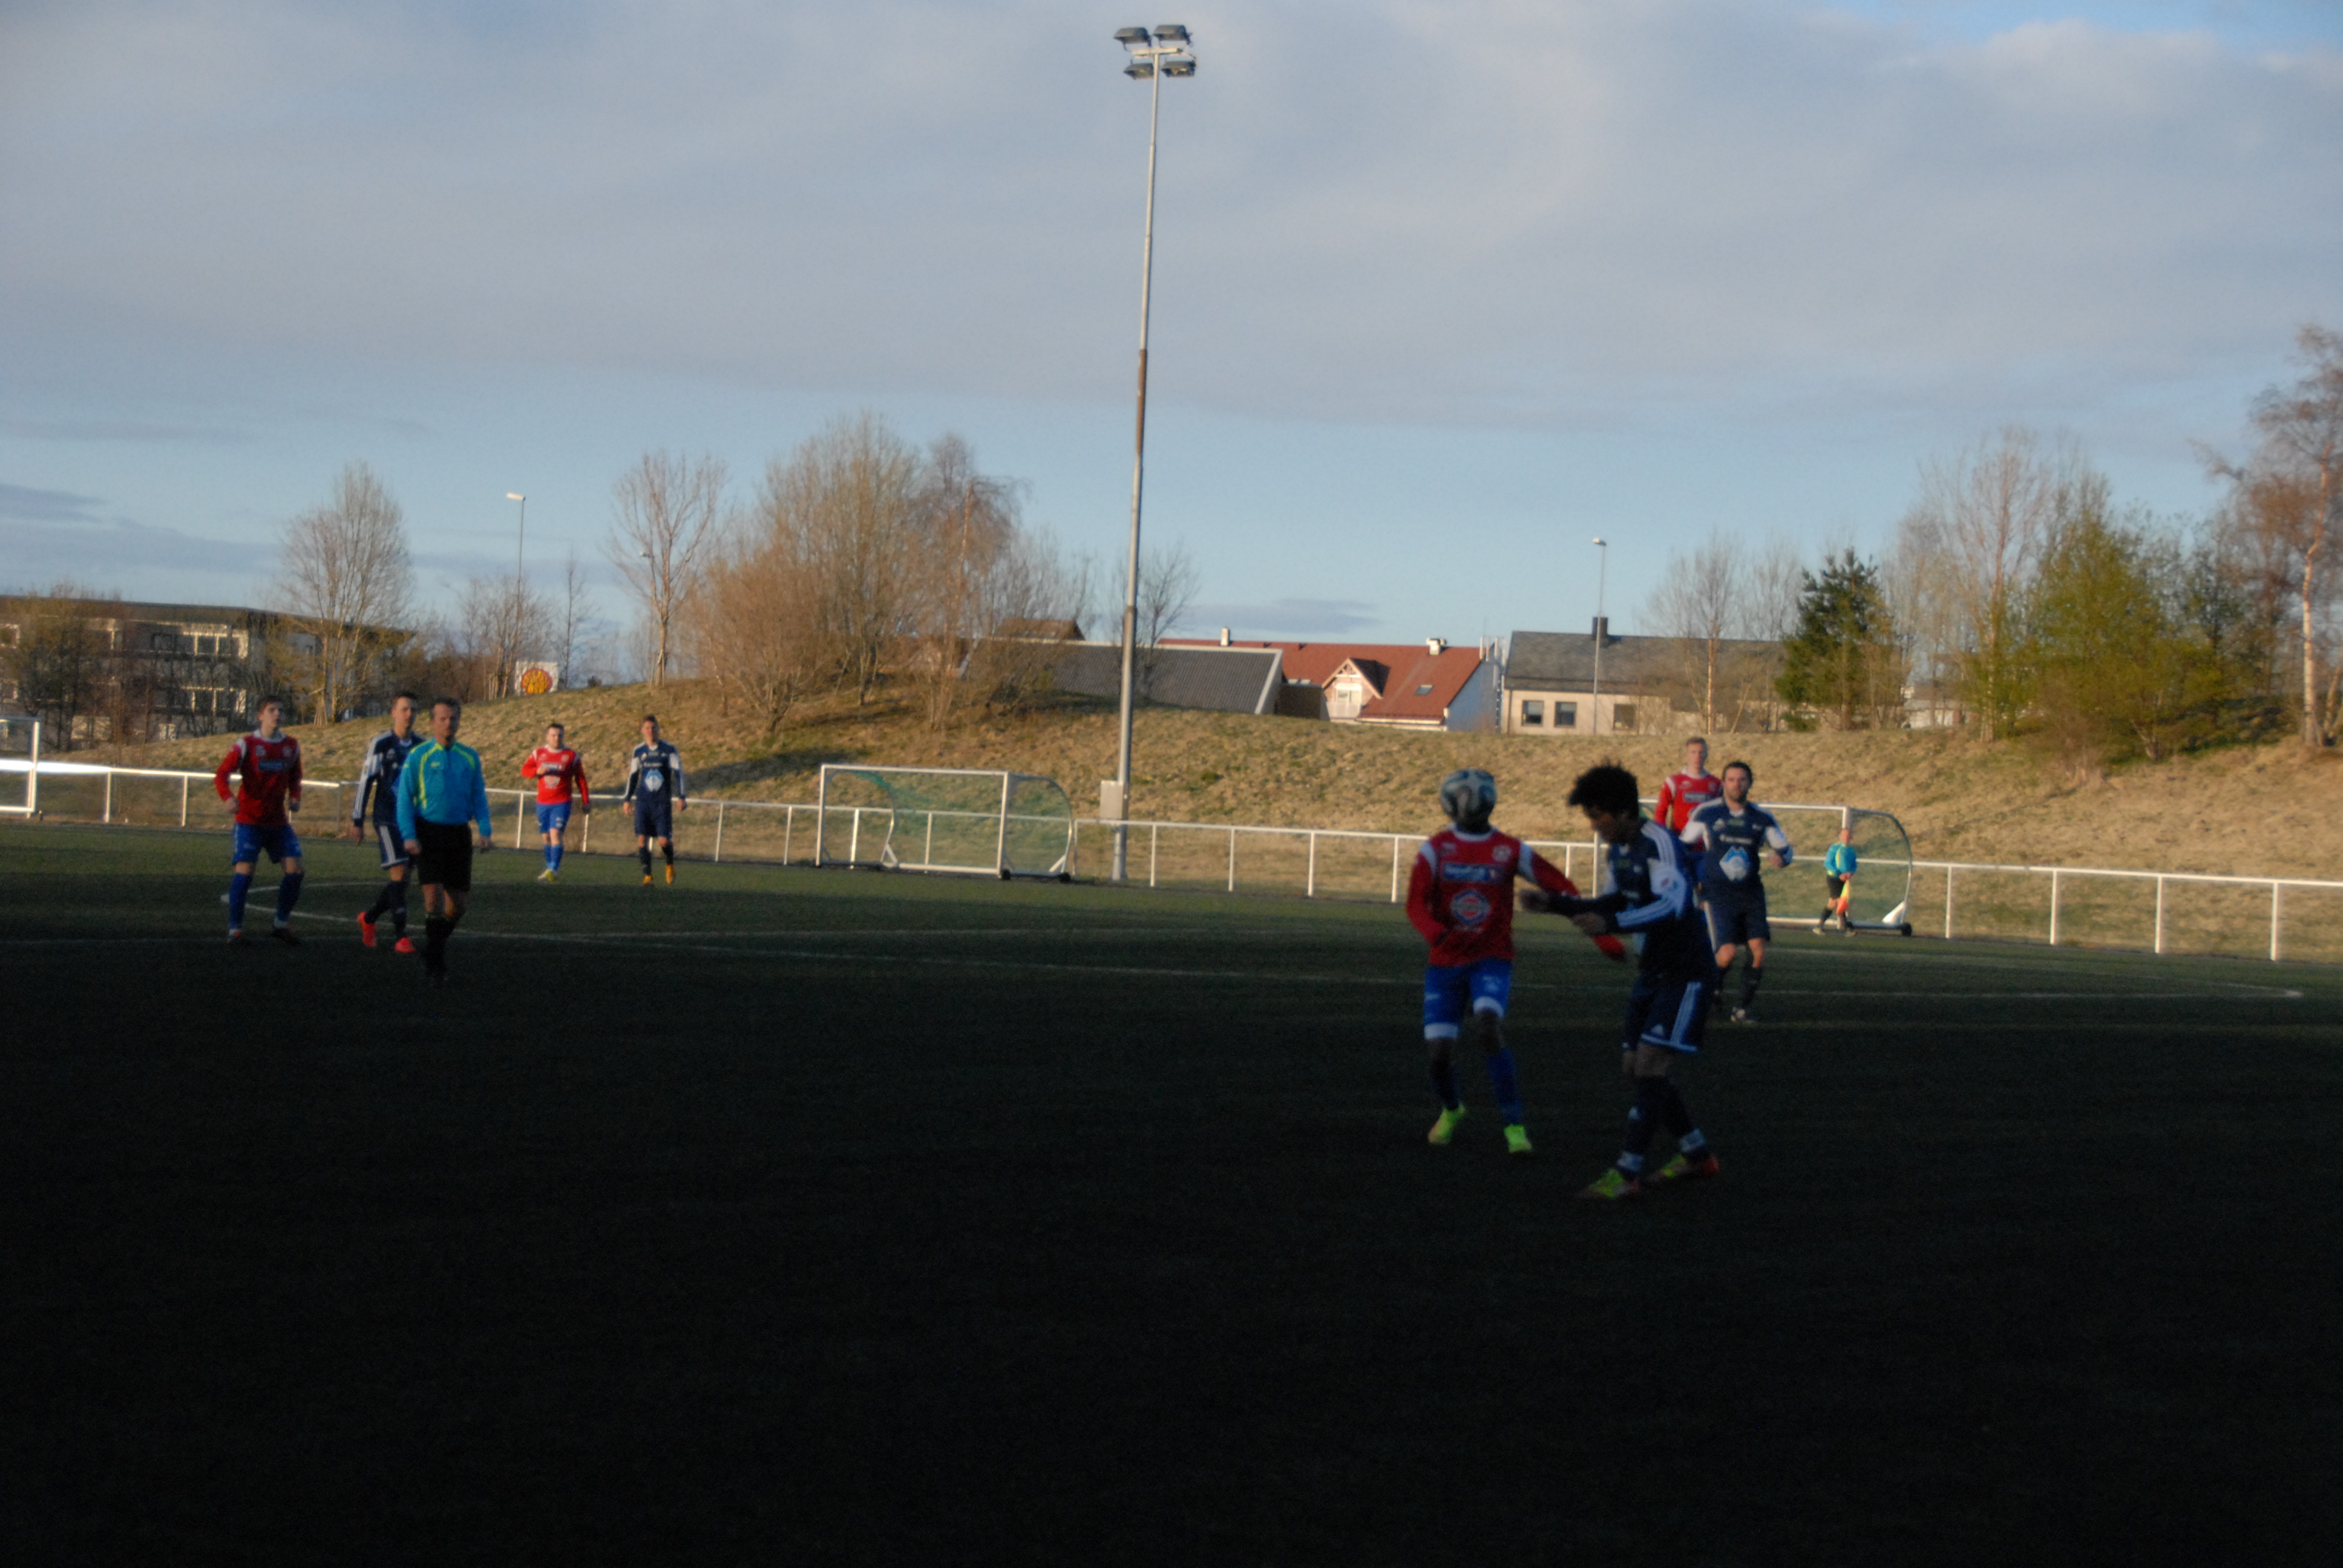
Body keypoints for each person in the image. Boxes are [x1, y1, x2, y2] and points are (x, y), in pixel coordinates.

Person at [1526, 761, 1721, 1200]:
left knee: (1650, 1063)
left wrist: (1611, 924)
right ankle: (1697, 1155)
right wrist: (1555, 904)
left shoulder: (1659, 844)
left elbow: (1673, 907)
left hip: (1686, 972)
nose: (1594, 826)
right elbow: (1612, 900)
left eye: (1599, 817)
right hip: (1654, 971)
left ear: (1625, 813)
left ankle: (1627, 1173)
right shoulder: (1619, 851)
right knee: (1636, 1068)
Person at [1407, 768, 1624, 1156]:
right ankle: (1452, 1109)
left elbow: (1560, 885)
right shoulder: (1436, 849)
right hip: (1446, 963)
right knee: (1439, 1054)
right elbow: (1415, 904)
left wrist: (1600, 934)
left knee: (1489, 1028)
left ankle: (1514, 1126)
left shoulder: (1508, 849)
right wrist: (1436, 933)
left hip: (1491, 958)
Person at [1682, 760, 1793, 1023]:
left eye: (1742, 779)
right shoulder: (1707, 813)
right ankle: (1714, 991)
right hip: (1717, 894)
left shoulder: (1761, 818)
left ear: (1750, 783)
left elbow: (1786, 849)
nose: (1737, 784)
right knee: (1727, 953)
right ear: (1723, 783)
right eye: (1731, 779)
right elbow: (1682, 847)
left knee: (1758, 950)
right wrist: (1693, 882)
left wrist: (1782, 858)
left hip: (1751, 894)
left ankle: (1742, 1008)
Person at [395, 697, 494, 982]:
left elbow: (479, 796)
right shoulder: (419, 756)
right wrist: (409, 835)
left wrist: (485, 829)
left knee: (459, 904)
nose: (449, 723)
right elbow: (405, 799)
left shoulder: (469, 757)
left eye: (453, 718)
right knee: (433, 897)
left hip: (458, 834)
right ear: (432, 722)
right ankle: (436, 964)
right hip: (428, 832)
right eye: (443, 718)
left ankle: (432, 950)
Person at [213, 697, 304, 946]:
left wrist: (295, 796)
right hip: (249, 821)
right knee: (245, 871)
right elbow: (222, 774)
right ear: (260, 716)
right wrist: (227, 797)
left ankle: (280, 925)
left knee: (296, 870)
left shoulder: (291, 745)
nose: (277, 714)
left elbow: (295, 775)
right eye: (271, 710)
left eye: (281, 710)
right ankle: (235, 931)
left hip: (278, 822)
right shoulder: (247, 744)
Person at [346, 692, 424, 952]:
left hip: (411, 821)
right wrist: (357, 820)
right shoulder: (381, 744)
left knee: (403, 881)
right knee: (399, 872)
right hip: (386, 817)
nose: (409, 714)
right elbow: (366, 781)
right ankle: (401, 936)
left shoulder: (422, 746)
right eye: (404, 709)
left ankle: (369, 919)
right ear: (394, 712)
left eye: (413, 710)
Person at [621, 714, 689, 886]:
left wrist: (682, 797)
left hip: (662, 803)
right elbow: (633, 776)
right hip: (643, 802)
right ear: (642, 731)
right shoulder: (639, 751)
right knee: (642, 839)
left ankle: (670, 864)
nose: (651, 731)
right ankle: (648, 876)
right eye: (647, 728)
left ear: (658, 729)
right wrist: (627, 799)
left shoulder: (669, 749)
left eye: (654, 728)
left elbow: (679, 773)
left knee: (663, 840)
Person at [520, 722, 592, 883]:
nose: (556, 738)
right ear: (547, 736)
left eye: (560, 735)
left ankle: (554, 868)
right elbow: (525, 771)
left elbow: (581, 779)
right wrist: (536, 771)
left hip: (562, 802)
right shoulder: (539, 753)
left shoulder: (571, 756)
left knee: (555, 834)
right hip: (543, 802)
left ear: (563, 736)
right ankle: (549, 868)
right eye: (553, 735)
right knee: (546, 837)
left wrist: (586, 800)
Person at [1653, 736, 1723, 839]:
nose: (1697, 756)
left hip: (1706, 842)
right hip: (1680, 840)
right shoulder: (1673, 782)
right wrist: (1662, 837)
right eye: (1693, 752)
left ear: (1707, 754)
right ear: (1687, 755)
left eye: (1701, 752)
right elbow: (1661, 811)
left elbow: (1722, 813)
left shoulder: (1716, 784)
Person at [1818, 825, 1858, 933]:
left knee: (1834, 903)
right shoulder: (1835, 848)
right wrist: (1839, 874)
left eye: (1848, 836)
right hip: (1834, 878)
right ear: (1840, 836)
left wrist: (1850, 873)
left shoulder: (1851, 850)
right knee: (1839, 901)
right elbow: (1828, 863)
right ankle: (1846, 928)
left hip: (1845, 880)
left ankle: (1820, 925)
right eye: (1844, 835)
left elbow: (1854, 864)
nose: (1846, 838)